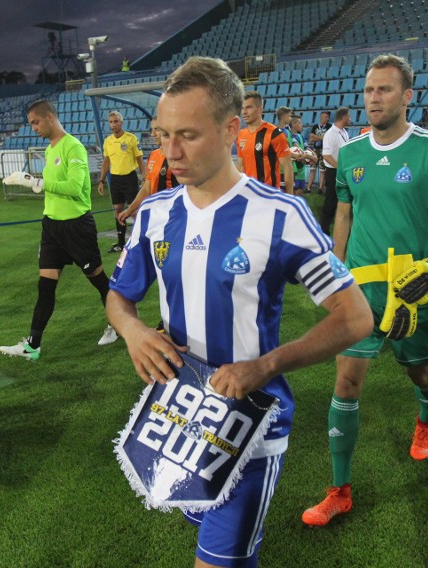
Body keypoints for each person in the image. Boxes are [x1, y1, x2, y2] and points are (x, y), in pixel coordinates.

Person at [106, 56, 372, 568]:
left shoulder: (280, 215)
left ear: (231, 130)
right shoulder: (156, 215)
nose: (171, 152)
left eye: (187, 135)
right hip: (179, 420)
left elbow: (356, 317)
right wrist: (134, 332)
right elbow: (119, 297)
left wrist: (265, 366)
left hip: (250, 430)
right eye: (163, 136)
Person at [301, 54, 428, 527]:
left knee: (421, 372)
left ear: (407, 96)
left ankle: (426, 418)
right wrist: (335, 273)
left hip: (414, 290)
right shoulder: (353, 153)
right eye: (368, 90)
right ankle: (339, 491)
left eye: (383, 90)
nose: (373, 98)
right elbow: (344, 213)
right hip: (360, 288)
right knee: (346, 381)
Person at [0, 100, 118, 360]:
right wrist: (37, 183)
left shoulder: (72, 146)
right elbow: (52, 186)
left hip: (76, 226)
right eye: (30, 123)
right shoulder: (49, 149)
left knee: (98, 281)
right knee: (45, 286)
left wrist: (35, 182)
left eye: (35, 122)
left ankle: (118, 325)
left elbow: (76, 188)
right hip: (51, 226)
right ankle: (33, 346)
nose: (33, 127)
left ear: (50, 118)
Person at [98, 110, 146, 253]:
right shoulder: (108, 141)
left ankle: (141, 240)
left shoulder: (131, 139)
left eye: (116, 121)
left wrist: (145, 177)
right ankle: (120, 243)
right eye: (111, 122)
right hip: (115, 180)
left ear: (121, 122)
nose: (113, 124)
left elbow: (139, 159)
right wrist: (101, 180)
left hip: (129, 177)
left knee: (133, 211)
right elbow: (106, 162)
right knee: (117, 211)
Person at [118, 118, 177, 223]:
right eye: (152, 129)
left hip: (174, 214)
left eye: (157, 129)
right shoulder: (153, 155)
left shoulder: (177, 156)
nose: (153, 134)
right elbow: (147, 188)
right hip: (157, 214)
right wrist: (129, 210)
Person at [236, 90, 294, 194]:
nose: (244, 112)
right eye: (242, 108)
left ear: (259, 110)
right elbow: (240, 166)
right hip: (248, 194)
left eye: (248, 107)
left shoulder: (274, 134)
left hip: (269, 196)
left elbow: (287, 167)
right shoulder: (241, 135)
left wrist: (290, 199)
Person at [319, 107, 351, 234]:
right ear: (343, 118)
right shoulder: (330, 134)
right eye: (349, 116)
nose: (350, 119)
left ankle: (342, 227)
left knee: (343, 201)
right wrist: (341, 168)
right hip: (333, 171)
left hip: (341, 171)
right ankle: (323, 230)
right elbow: (326, 155)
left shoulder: (343, 132)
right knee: (330, 202)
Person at [289, 115, 317, 194]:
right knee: (293, 193)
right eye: (300, 123)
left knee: (300, 192)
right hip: (295, 168)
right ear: (294, 125)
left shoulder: (301, 136)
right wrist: (309, 156)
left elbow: (306, 147)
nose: (302, 125)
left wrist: (314, 154)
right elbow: (297, 147)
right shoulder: (290, 135)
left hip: (302, 169)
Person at [308, 111, 331, 193]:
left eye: (328, 117)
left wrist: (315, 136)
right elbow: (311, 139)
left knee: (322, 170)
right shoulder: (315, 126)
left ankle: (320, 189)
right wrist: (321, 137)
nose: (327, 118)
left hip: (324, 150)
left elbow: (327, 138)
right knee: (312, 168)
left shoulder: (329, 127)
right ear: (321, 117)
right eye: (326, 117)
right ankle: (308, 188)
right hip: (315, 150)